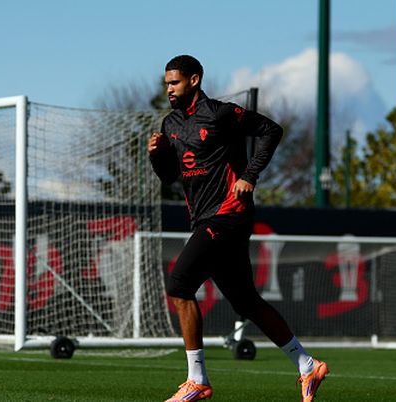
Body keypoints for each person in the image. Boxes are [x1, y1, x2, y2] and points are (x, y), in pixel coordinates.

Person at [148, 55, 329, 402]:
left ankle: (197, 380)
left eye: (175, 82)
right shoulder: (170, 124)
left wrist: (249, 176)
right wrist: (157, 155)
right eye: (167, 83)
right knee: (246, 302)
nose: (169, 89)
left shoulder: (220, 113)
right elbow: (170, 177)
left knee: (179, 283)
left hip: (230, 214)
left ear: (195, 80)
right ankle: (307, 365)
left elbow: (271, 130)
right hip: (206, 218)